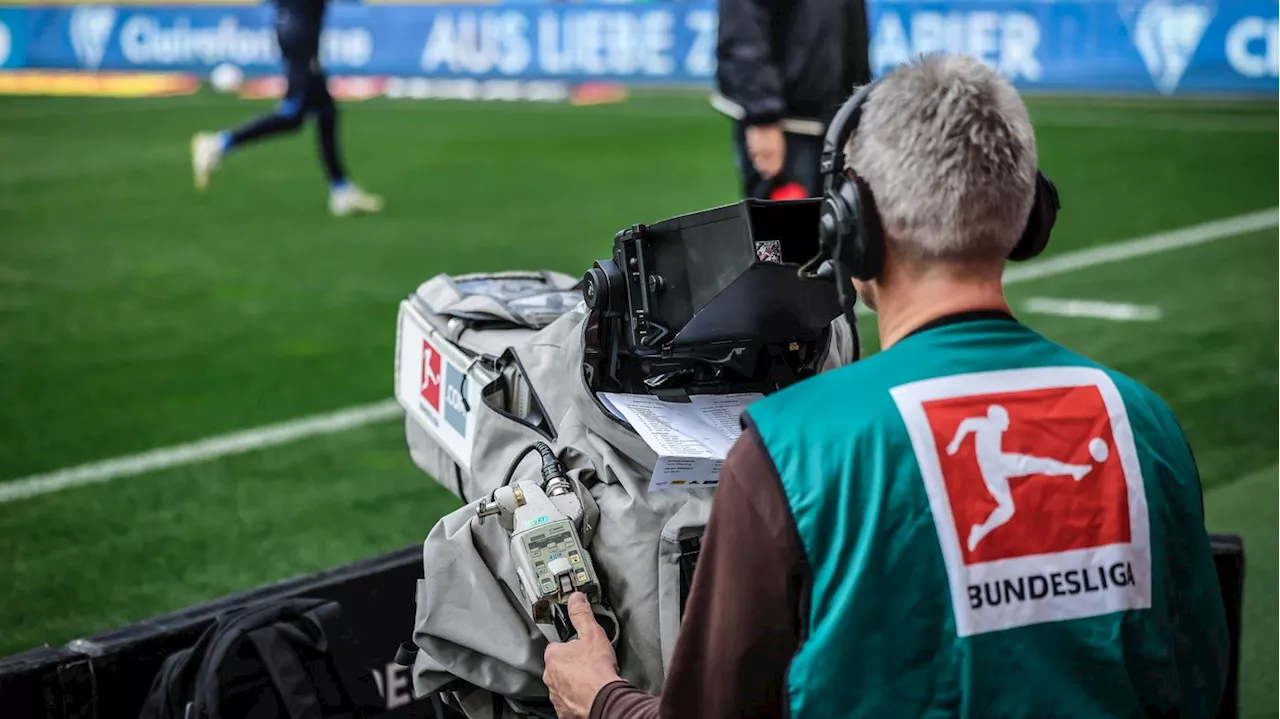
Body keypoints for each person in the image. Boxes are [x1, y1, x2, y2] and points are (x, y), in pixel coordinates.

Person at [542, 54, 1230, 719]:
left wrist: (602, 697)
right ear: (1026, 217)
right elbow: (1198, 684)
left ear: (853, 230)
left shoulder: (790, 451)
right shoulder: (1147, 424)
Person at [190, 0, 383, 217]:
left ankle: (341, 190)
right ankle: (218, 144)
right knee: (291, 116)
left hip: (291, 25)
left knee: (326, 112)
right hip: (300, 32)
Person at [713, 0, 871, 200]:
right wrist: (763, 117)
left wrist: (856, 110)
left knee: (831, 223)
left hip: (836, 121)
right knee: (783, 226)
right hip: (785, 128)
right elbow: (743, 30)